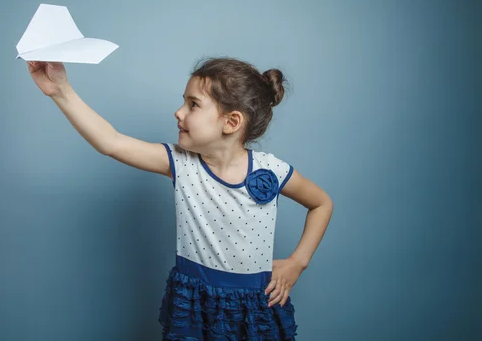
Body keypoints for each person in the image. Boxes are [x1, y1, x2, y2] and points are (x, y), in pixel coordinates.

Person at [26, 58, 334, 340]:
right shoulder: (181, 163)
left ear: (231, 122)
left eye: (193, 105)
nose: (179, 112)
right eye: (183, 102)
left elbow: (321, 203)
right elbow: (111, 142)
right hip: (195, 304)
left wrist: (298, 262)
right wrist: (60, 90)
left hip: (255, 306)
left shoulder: (271, 169)